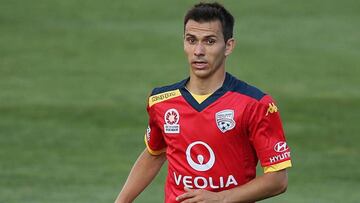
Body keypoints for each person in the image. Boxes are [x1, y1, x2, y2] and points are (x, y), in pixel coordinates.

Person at [115, 2, 292, 203]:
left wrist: (221, 198)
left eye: (209, 41)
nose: (198, 50)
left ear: (228, 46)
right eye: (191, 40)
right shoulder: (161, 102)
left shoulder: (255, 105)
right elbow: (154, 154)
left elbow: (278, 180)